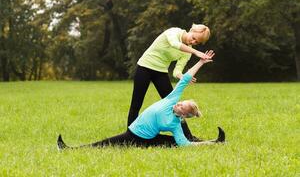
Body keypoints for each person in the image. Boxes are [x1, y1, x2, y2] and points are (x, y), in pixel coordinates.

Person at [57, 51, 226, 149]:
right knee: (103, 143)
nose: (179, 103)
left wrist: (208, 144)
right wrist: (201, 62)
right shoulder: (171, 100)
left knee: (176, 143)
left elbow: (185, 145)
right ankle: (69, 149)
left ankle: (215, 142)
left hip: (140, 138)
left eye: (183, 106)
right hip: (135, 131)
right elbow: (184, 79)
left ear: (184, 116)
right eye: (182, 102)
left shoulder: (174, 124)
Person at [127, 24, 211, 142]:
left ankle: (188, 136)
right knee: (136, 104)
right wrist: (197, 52)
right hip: (145, 67)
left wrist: (181, 75)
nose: (193, 41)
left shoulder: (187, 52)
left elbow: (176, 71)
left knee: (176, 106)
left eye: (196, 42)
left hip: (160, 71)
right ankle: (130, 136)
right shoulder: (173, 32)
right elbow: (175, 44)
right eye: (193, 37)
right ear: (191, 30)